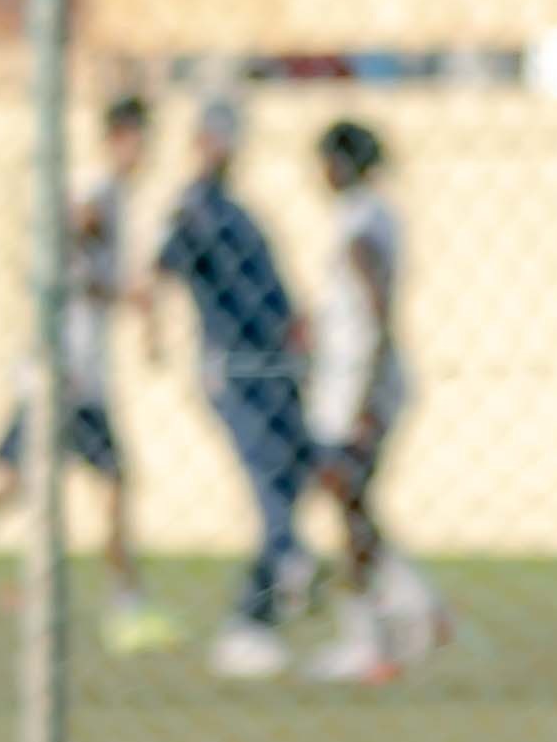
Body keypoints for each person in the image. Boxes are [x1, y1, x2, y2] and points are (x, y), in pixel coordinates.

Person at [0, 87, 181, 655]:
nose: (143, 153)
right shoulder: (98, 194)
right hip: (68, 375)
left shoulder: (115, 200)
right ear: (116, 140)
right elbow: (69, 249)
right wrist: (118, 290)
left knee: (23, 484)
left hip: (72, 372)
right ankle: (124, 608)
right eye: (136, 141)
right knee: (102, 488)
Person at [143, 92, 318, 681]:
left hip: (275, 366)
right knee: (271, 486)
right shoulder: (193, 210)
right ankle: (266, 601)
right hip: (236, 369)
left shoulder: (240, 213)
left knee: (292, 482)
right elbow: (159, 273)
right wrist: (154, 336)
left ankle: (263, 612)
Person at [299, 116, 450, 683]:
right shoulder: (371, 217)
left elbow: (376, 304)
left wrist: (366, 393)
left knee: (349, 504)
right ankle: (415, 605)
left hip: (359, 384)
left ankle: (369, 639)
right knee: (350, 502)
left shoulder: (362, 223)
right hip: (354, 380)